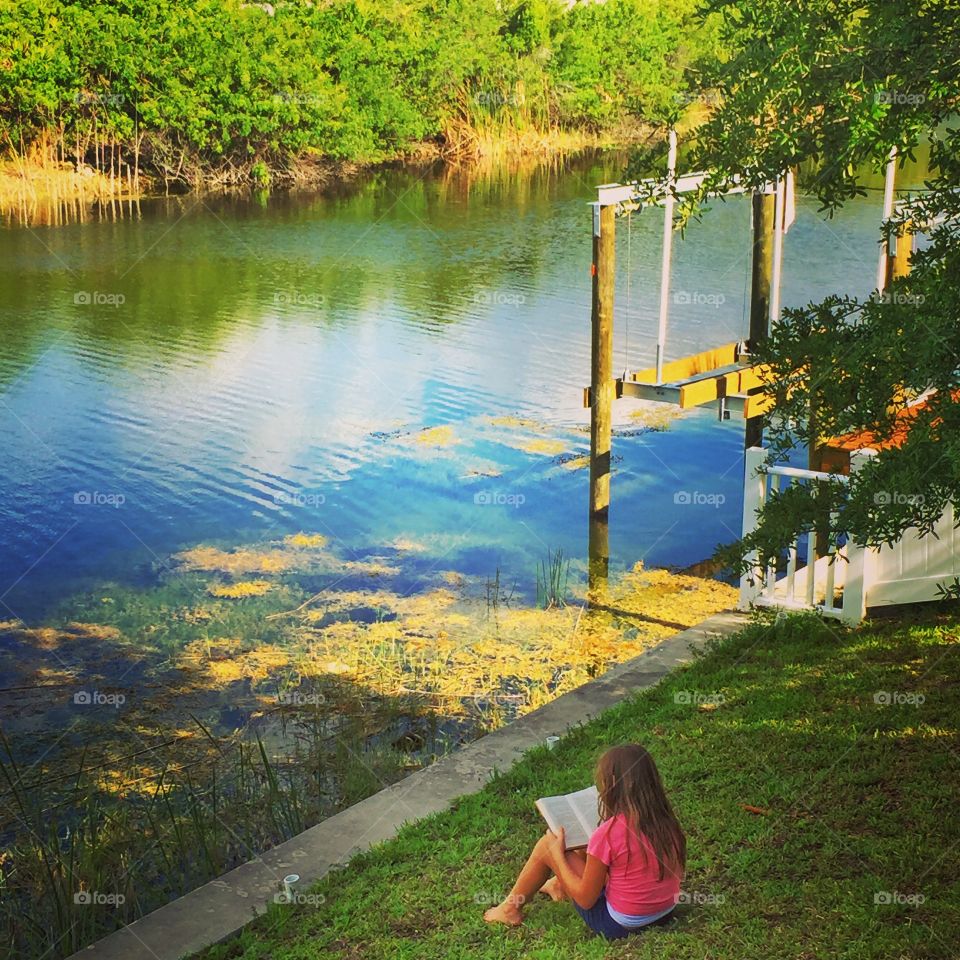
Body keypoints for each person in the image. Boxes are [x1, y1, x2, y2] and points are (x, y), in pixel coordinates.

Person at [483, 743, 685, 939]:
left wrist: (556, 856)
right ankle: (557, 885)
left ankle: (509, 909)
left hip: (618, 925)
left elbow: (585, 900)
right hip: (664, 913)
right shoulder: (665, 820)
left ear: (611, 783)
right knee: (587, 845)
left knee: (547, 845)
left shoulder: (609, 833)